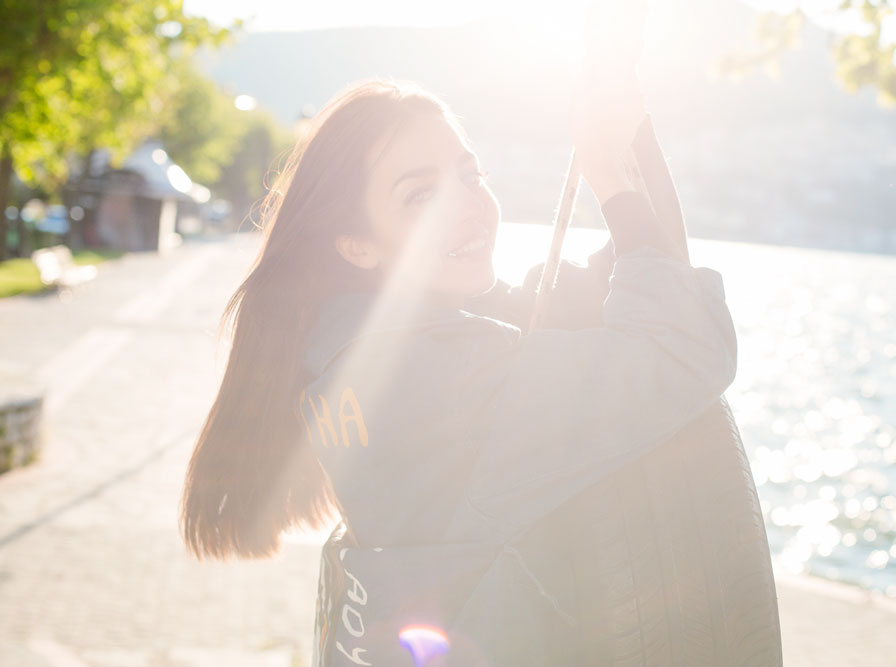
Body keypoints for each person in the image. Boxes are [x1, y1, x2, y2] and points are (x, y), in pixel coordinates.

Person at [179, 68, 737, 665]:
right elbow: (683, 347)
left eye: (471, 176)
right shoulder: (437, 373)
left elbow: (630, 280)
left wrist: (631, 140)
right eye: (420, 195)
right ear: (357, 244)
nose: (469, 208)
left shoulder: (348, 347)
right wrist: (608, 176)